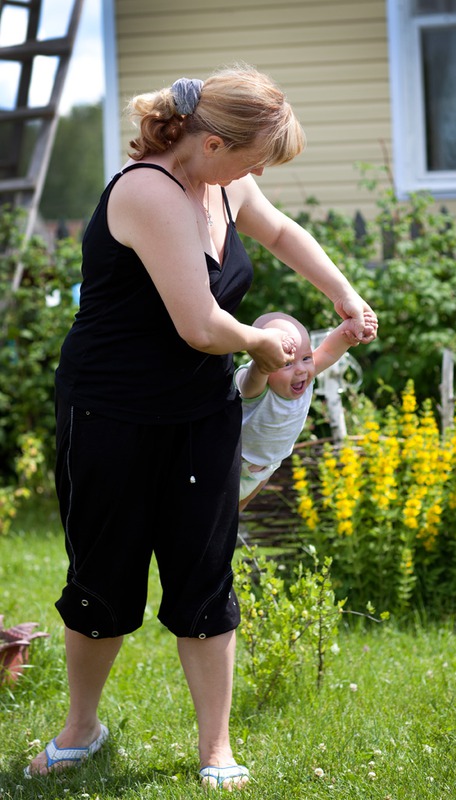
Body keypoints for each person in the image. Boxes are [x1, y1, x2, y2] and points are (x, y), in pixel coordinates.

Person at [24, 64, 378, 791]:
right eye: (255, 158)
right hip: (111, 414)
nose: (258, 174)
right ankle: (80, 730)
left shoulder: (223, 180)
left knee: (205, 579)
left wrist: (343, 296)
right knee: (105, 578)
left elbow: (278, 229)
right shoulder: (148, 192)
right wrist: (260, 341)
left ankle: (215, 749)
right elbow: (199, 324)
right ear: (212, 143)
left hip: (199, 413)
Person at [237, 311, 375, 511]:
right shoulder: (256, 383)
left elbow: (328, 351)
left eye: (307, 357)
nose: (301, 369)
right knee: (212, 516)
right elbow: (253, 378)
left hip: (267, 466)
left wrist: (350, 330)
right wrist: (263, 361)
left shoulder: (303, 376)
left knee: (235, 514)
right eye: (287, 363)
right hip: (236, 464)